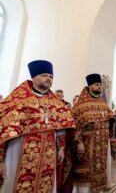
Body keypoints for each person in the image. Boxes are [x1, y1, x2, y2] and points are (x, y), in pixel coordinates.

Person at [0, 60, 75, 193]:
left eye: (51, 76)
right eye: (44, 75)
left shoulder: (57, 104)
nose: (48, 79)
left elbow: (62, 128)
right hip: (17, 153)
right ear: (33, 77)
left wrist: (61, 148)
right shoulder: (16, 101)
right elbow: (2, 130)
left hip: (48, 155)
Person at [71, 73, 114, 193]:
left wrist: (110, 120)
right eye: (96, 85)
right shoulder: (80, 105)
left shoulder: (101, 103)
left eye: (100, 85)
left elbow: (110, 115)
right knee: (85, 177)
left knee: (100, 172)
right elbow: (74, 124)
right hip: (86, 145)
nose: (99, 87)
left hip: (102, 145)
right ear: (89, 86)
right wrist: (79, 142)